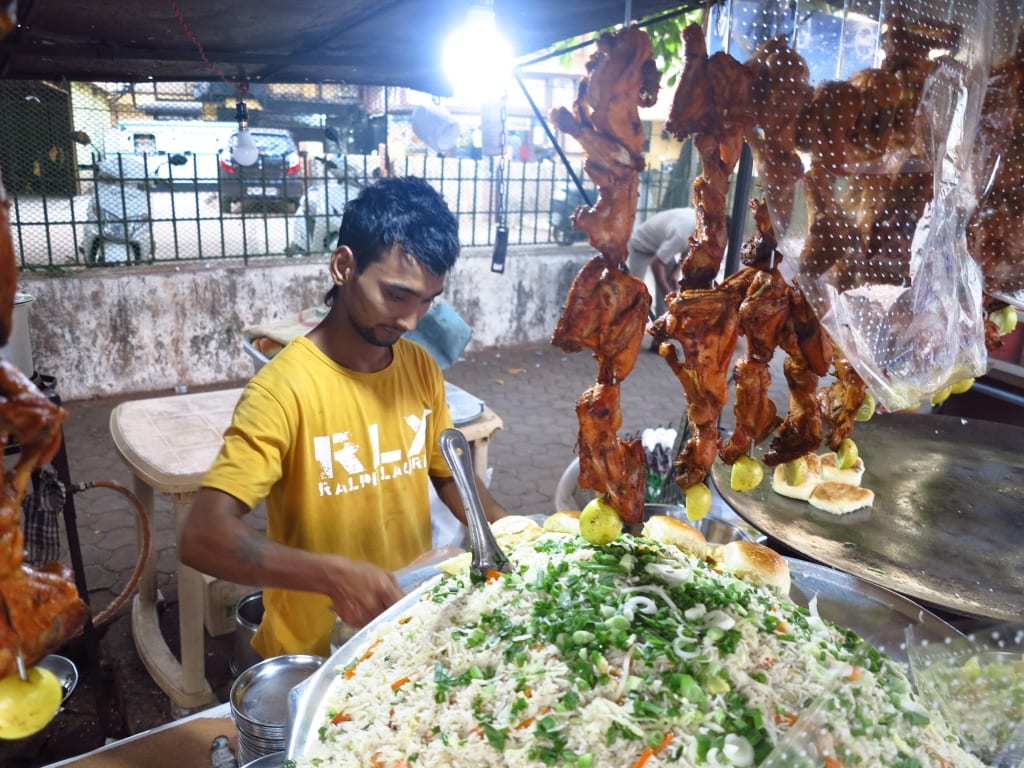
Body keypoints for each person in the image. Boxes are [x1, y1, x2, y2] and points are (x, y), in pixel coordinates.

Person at [179, 176, 507, 660]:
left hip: (404, 626)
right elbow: (203, 536)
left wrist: (508, 530)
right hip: (313, 651)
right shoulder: (282, 390)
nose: (411, 322)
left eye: (427, 302)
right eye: (396, 296)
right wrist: (332, 574)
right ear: (343, 266)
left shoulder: (419, 368)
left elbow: (449, 473)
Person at [626, 207, 696, 317]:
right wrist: (665, 290)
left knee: (670, 284)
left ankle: (662, 324)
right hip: (641, 246)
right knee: (634, 293)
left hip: (661, 244)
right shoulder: (681, 235)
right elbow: (656, 263)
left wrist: (676, 271)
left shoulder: (700, 226)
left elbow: (688, 249)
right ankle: (629, 324)